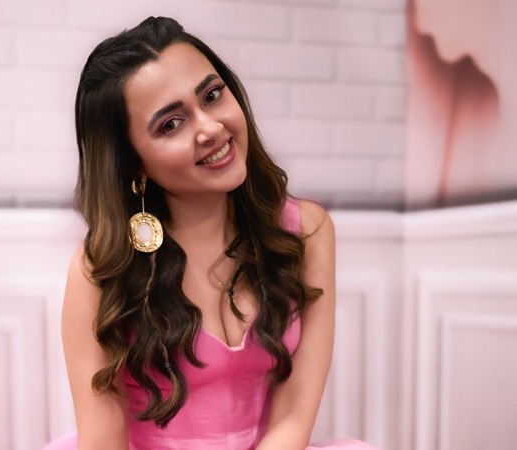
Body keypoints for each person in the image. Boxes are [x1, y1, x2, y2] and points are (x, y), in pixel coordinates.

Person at [44, 16, 378, 450]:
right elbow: (103, 443)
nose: (210, 128)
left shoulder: (307, 232)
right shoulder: (99, 272)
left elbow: (294, 415)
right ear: (132, 163)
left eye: (212, 95)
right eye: (171, 124)